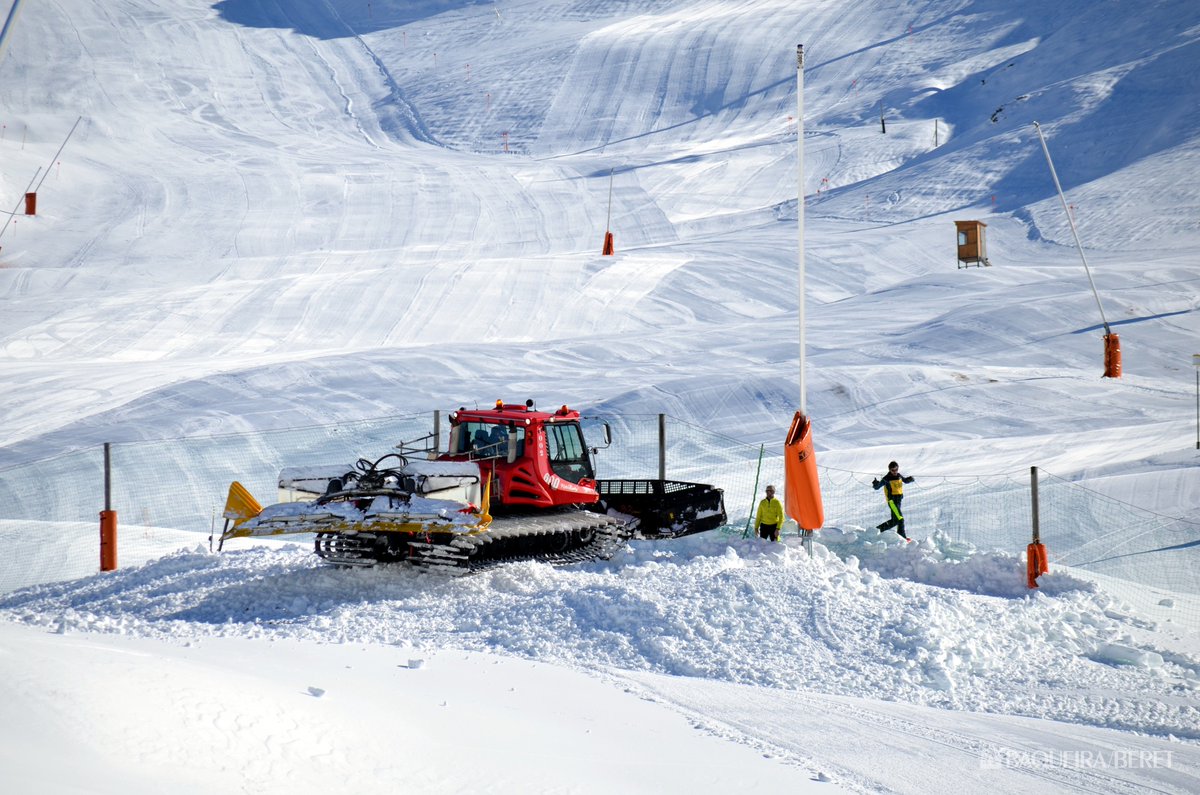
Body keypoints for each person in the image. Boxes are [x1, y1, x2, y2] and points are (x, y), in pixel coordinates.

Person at [873, 461, 915, 539]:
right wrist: (875, 483)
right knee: (900, 519)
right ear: (889, 470)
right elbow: (877, 487)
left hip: (898, 501)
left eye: (896, 469)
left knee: (895, 520)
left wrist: (910, 479)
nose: (895, 472)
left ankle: (876, 531)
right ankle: (902, 538)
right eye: (893, 470)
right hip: (892, 502)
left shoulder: (898, 476)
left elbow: (905, 480)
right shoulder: (886, 479)